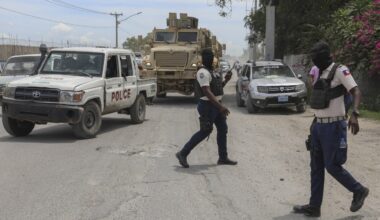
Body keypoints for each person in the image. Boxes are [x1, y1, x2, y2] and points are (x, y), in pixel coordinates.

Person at [293, 41, 369, 217]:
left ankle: (358, 190)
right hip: (318, 126)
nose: (315, 61)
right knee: (316, 167)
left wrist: (355, 114)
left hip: (334, 126)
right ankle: (314, 206)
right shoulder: (319, 71)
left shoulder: (340, 70)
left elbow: (356, 91)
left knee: (332, 166)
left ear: (326, 56)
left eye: (317, 58)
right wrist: (314, 127)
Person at [175, 49, 237, 168]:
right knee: (205, 131)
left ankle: (223, 157)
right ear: (203, 59)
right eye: (208, 56)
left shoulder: (212, 72)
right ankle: (182, 153)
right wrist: (221, 107)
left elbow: (217, 89)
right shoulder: (202, 72)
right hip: (208, 106)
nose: (210, 58)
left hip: (216, 105)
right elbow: (207, 92)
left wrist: (226, 80)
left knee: (223, 129)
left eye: (212, 56)